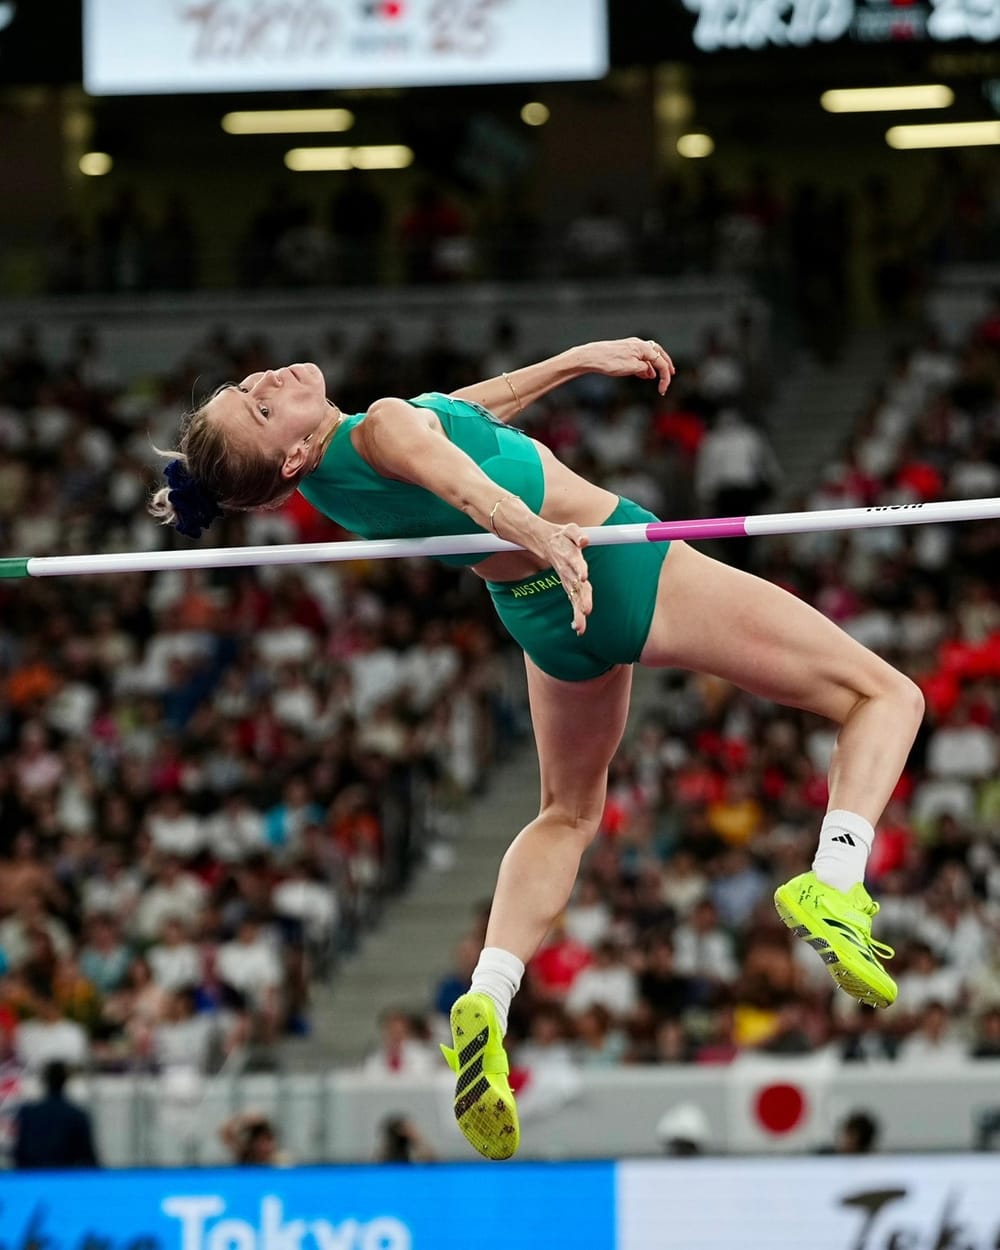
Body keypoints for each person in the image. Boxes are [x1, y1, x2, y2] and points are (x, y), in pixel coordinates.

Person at [149, 337, 924, 1160]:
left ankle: (489, 994)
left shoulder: (356, 463)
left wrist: (577, 363)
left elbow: (465, 419)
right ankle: (836, 878)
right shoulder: (378, 428)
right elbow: (469, 483)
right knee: (884, 695)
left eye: (246, 384)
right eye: (262, 407)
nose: (266, 380)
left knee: (567, 812)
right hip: (612, 562)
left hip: (536, 613)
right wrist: (547, 533)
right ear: (295, 455)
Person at [13, 1059, 99, 1169]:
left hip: (34, 1178)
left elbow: (19, 1154)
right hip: (64, 1179)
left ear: (44, 1081)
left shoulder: (28, 1114)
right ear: (65, 1081)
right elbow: (89, 1158)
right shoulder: (77, 1115)